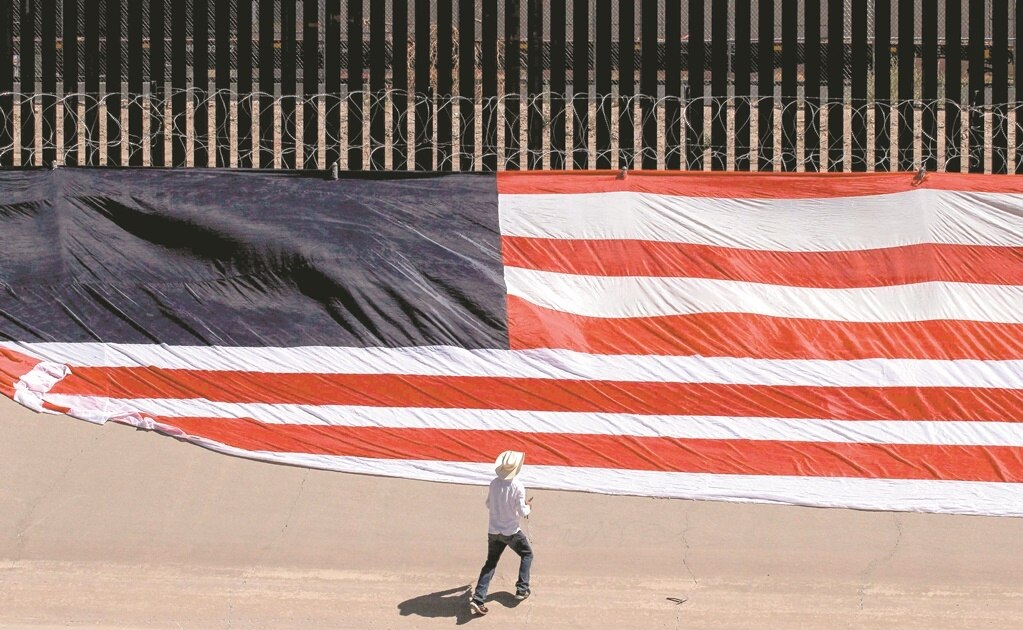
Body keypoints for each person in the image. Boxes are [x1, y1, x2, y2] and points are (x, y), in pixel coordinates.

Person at [469, 450, 534, 616]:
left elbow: (488, 504)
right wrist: (529, 507)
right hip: (511, 531)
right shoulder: (518, 486)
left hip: (493, 530)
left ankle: (478, 598)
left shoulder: (494, 483)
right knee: (527, 554)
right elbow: (522, 511)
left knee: (490, 563)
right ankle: (522, 589)